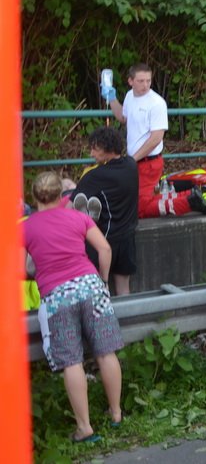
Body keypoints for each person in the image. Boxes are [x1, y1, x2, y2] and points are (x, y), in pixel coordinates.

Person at [23, 171, 124, 444]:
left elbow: (20, 268)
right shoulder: (79, 217)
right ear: (61, 196)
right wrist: (102, 281)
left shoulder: (26, 227)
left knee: (72, 361)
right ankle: (116, 414)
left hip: (57, 296)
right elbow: (104, 249)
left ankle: (85, 427)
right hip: (91, 286)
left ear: (34, 197)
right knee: (106, 352)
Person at [104, 63, 206, 218]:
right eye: (141, 81)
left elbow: (156, 138)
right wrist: (111, 98)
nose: (145, 85)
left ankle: (188, 203)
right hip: (137, 160)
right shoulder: (129, 96)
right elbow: (123, 118)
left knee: (140, 208)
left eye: (148, 80)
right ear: (130, 81)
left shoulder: (156, 103)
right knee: (139, 201)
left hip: (148, 162)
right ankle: (188, 195)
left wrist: (132, 159)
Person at [69, 127, 139, 296]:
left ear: (107, 148)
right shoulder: (131, 165)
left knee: (98, 290)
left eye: (95, 148)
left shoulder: (94, 176)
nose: (91, 153)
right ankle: (128, 319)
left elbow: (68, 208)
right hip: (128, 239)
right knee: (124, 289)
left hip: (103, 242)